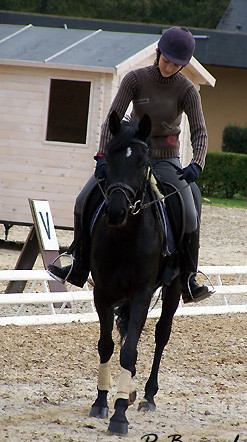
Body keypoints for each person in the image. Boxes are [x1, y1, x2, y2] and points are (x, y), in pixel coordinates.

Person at [48, 26, 212, 304]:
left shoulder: (187, 90)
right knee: (82, 200)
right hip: (132, 155)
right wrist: (102, 156)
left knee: (190, 211)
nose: (170, 66)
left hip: (165, 159)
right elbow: (112, 118)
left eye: (177, 63)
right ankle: (78, 265)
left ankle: (188, 278)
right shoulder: (135, 79)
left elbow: (200, 132)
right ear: (158, 52)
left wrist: (196, 163)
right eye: (166, 59)